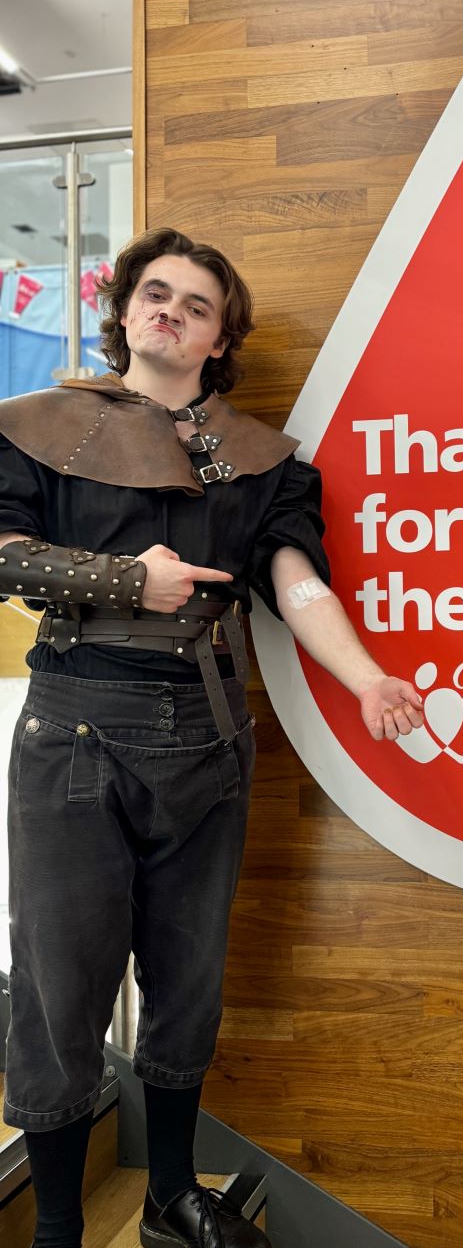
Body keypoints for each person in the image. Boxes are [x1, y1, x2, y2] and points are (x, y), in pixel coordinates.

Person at [0, 227, 424, 1248]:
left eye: (196, 304)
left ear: (219, 337)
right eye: (157, 293)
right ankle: (56, 1227)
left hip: (207, 728)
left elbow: (298, 586)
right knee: (60, 984)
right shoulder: (36, 425)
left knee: (189, 979)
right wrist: (122, 580)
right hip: (74, 720)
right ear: (125, 311)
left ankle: (170, 1195)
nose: (172, 311)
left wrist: (368, 678)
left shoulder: (265, 459)